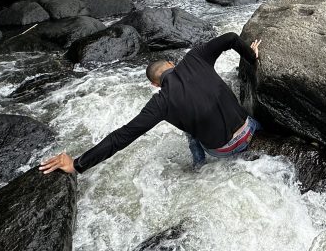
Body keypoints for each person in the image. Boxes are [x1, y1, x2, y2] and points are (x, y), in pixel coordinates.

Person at [39, 33, 262, 175]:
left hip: (223, 150)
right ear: (170, 63)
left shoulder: (160, 102)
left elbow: (122, 136)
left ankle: (198, 168)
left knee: (189, 131)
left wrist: (77, 164)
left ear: (155, 84)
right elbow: (232, 38)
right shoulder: (196, 56)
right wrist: (252, 57)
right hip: (250, 130)